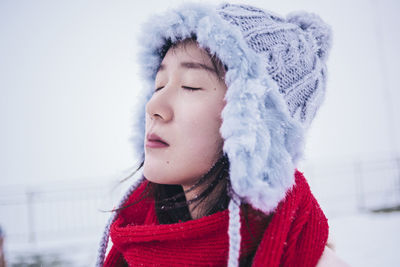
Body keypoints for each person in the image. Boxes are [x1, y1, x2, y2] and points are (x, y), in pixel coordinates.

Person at [97, 2, 348, 266]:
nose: (153, 107)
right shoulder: (134, 247)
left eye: (190, 86)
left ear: (255, 125)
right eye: (159, 86)